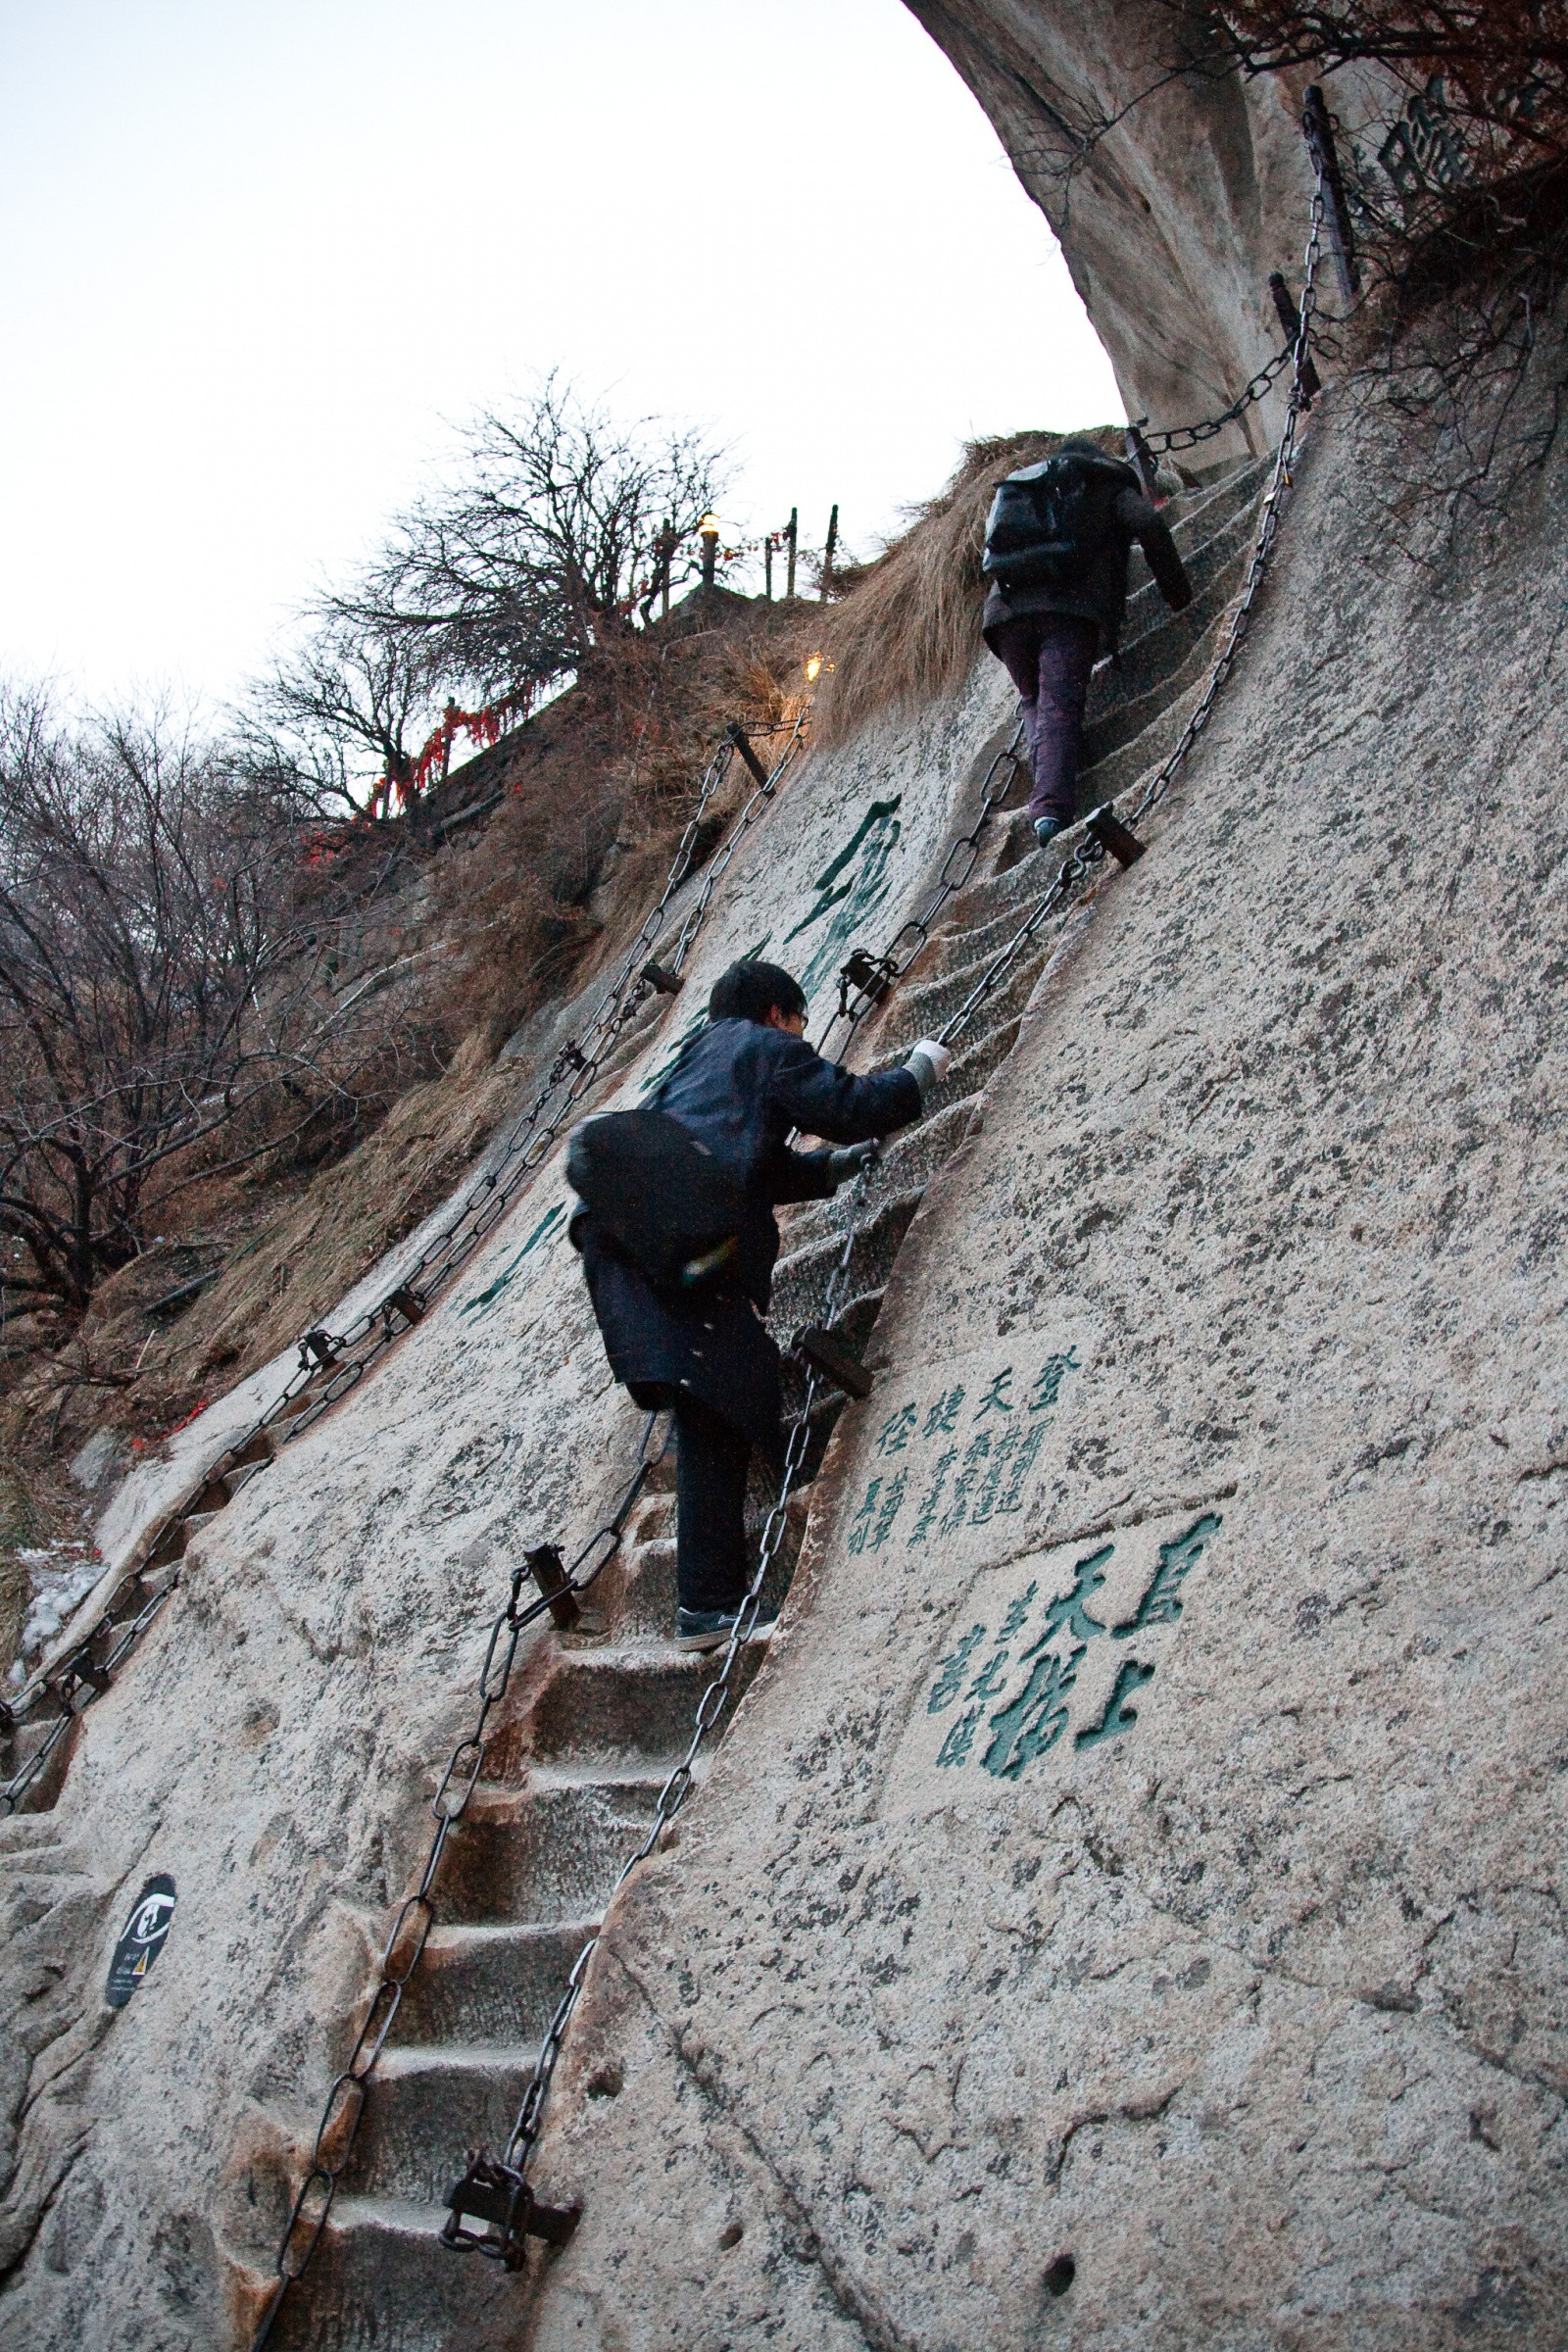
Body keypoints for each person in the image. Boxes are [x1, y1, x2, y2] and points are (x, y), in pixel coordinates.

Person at [570, 958, 951, 1651]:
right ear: (778, 1013)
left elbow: (742, 1163)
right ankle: (710, 1599)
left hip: (631, 1251)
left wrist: (826, 1171)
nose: (801, 1033)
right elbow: (850, 1107)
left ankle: (705, 1605)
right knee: (723, 1394)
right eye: (800, 1021)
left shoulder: (692, 1067)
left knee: (716, 1389)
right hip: (685, 1257)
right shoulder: (764, 1046)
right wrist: (918, 1071)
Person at [982, 439, 1194, 850]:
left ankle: (1048, 789)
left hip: (1004, 615)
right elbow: (1148, 525)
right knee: (1059, 704)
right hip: (1068, 609)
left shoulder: (1034, 489)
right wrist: (1179, 595)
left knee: (1037, 701)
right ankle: (1049, 812)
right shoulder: (1107, 482)